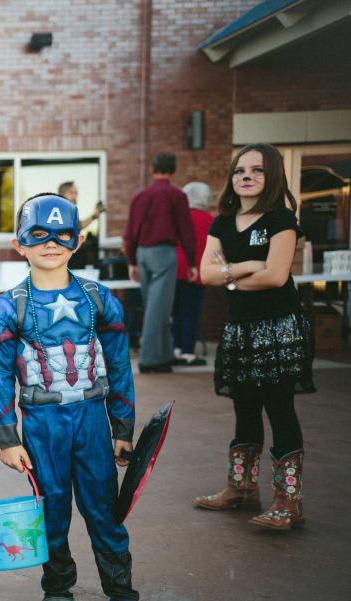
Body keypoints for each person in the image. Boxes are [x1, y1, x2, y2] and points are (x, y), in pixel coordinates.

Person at [0, 193, 170, 601]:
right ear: (18, 243)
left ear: (79, 240)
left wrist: (122, 428)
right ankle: (57, 595)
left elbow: (119, 366)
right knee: (51, 515)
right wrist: (7, 438)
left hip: (90, 421)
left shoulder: (97, 299)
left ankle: (124, 599)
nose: (50, 243)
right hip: (43, 425)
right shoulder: (7, 308)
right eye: (38, 235)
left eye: (61, 234)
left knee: (104, 513)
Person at [194, 143, 314, 531]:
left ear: (273, 175)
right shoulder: (222, 223)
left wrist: (229, 276)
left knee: (279, 408)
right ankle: (242, 489)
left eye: (257, 170)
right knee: (244, 407)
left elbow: (276, 276)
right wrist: (246, 267)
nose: (246, 176)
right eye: (239, 170)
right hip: (240, 329)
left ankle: (288, 501)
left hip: (278, 328)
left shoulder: (281, 220)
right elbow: (207, 275)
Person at [124, 152, 197, 373]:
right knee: (159, 308)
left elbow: (130, 231)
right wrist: (192, 262)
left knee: (155, 306)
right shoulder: (177, 196)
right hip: (164, 253)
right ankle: (149, 359)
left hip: (143, 254)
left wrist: (131, 261)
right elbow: (187, 231)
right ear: (173, 170)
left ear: (152, 168)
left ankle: (163, 355)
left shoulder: (140, 196)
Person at [170, 182, 213, 366]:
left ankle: (176, 350)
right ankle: (188, 353)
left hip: (173, 269)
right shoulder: (211, 220)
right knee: (190, 313)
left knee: (175, 312)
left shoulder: (176, 218)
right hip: (196, 270)